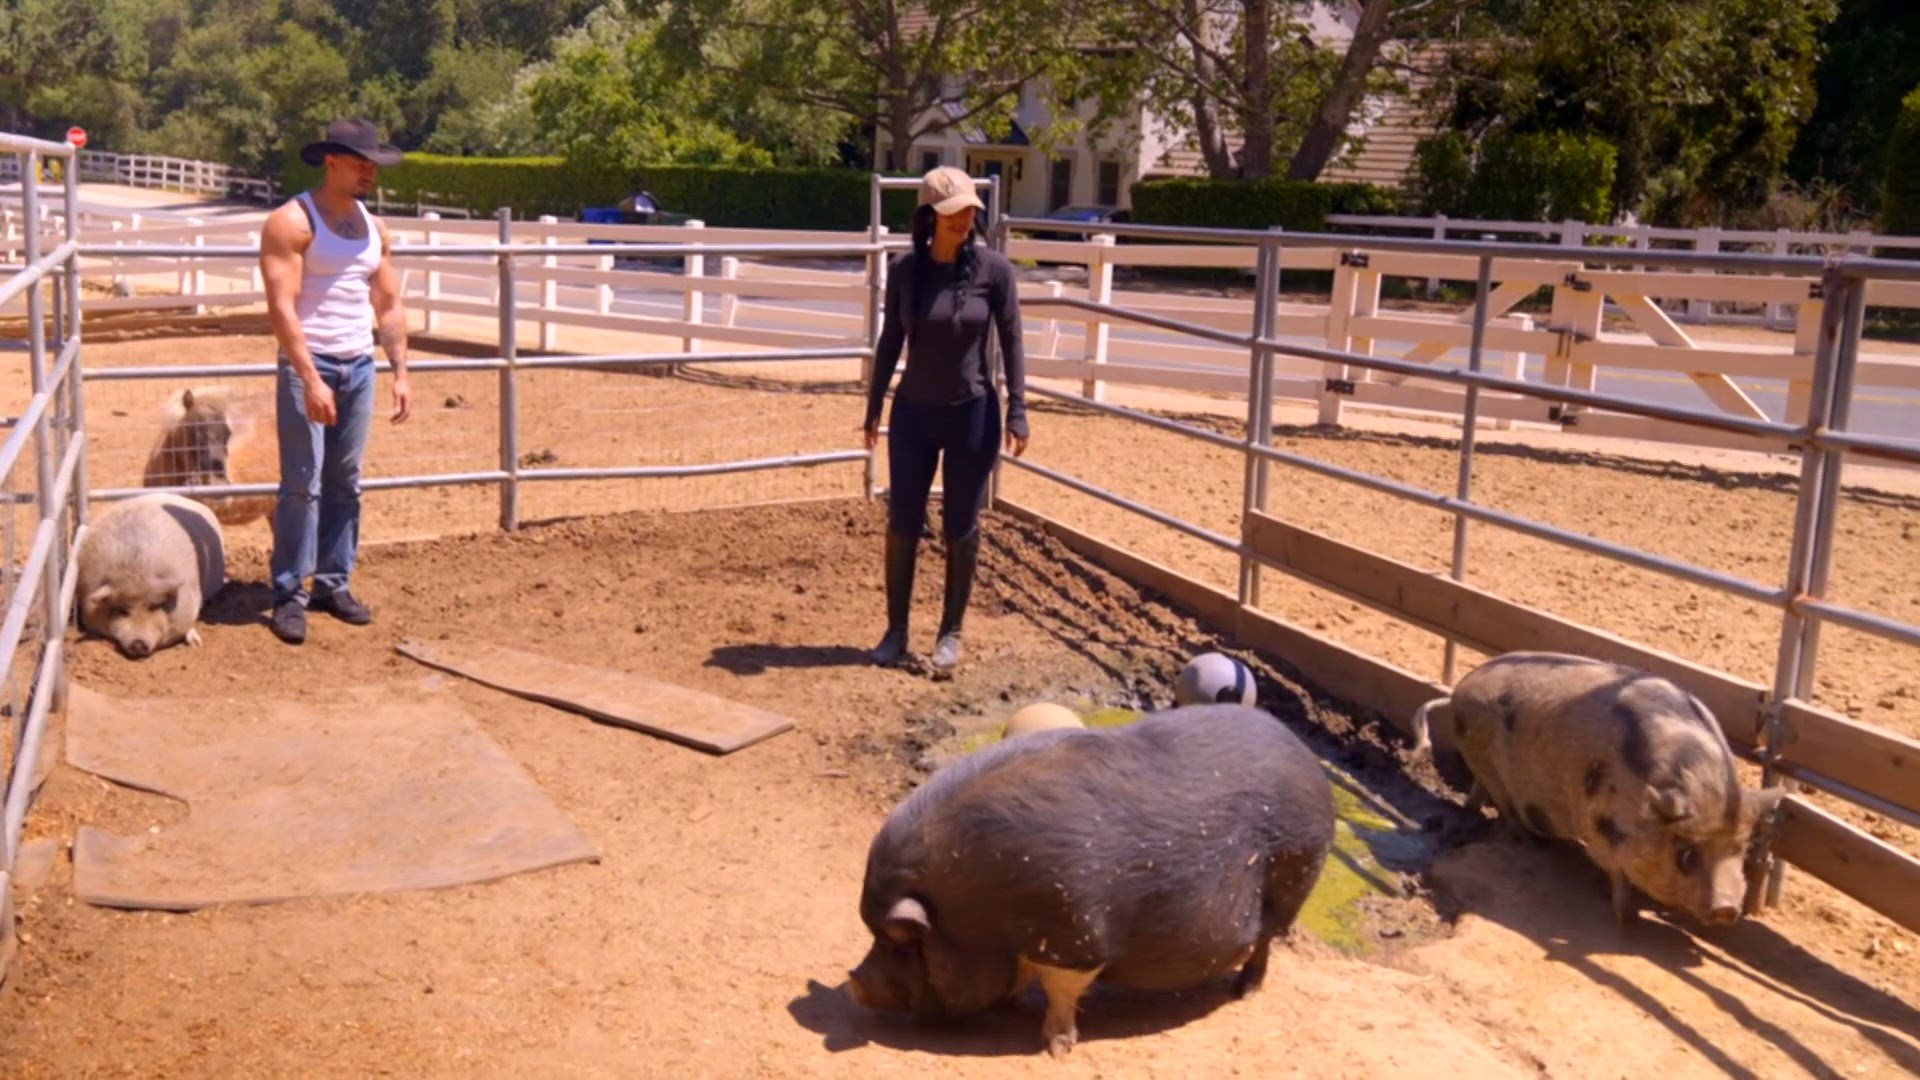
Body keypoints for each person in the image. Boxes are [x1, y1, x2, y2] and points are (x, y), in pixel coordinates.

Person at [862, 165, 1030, 673]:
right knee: (904, 521)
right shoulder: (907, 271)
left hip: (972, 415)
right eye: (956, 213)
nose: (966, 221)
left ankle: (950, 633)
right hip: (913, 413)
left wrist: (1018, 409)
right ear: (931, 215)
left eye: (971, 212)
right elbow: (892, 338)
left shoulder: (994, 271)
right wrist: (873, 407)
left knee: (960, 523)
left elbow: (1013, 338)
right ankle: (896, 631)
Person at [256, 118, 414, 645]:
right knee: (303, 481)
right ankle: (288, 593)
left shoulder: (375, 227)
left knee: (346, 479)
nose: (370, 172)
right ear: (331, 161)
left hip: (359, 364)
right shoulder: (291, 222)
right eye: (360, 162)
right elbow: (282, 308)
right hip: (312, 362)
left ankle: (331, 582)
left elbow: (388, 303)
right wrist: (308, 376)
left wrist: (400, 371)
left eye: (373, 164)